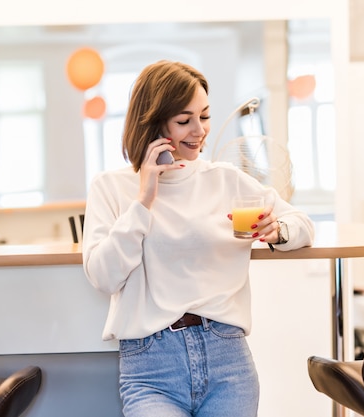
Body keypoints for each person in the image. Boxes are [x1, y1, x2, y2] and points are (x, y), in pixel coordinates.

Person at [82, 60, 315, 417]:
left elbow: (301, 223)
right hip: (150, 369)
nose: (199, 130)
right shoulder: (112, 188)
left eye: (204, 116)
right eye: (184, 120)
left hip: (227, 361)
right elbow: (103, 275)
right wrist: (144, 200)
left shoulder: (225, 179)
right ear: (155, 122)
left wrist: (278, 231)